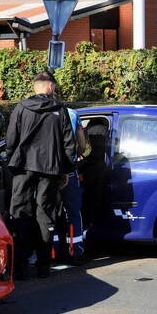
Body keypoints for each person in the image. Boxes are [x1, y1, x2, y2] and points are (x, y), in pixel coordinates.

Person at [5, 72, 77, 279]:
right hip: (50, 169)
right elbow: (68, 145)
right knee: (45, 214)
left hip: (23, 167)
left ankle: (20, 266)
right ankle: (43, 266)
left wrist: (12, 161)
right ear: (49, 87)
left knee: (20, 213)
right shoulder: (60, 110)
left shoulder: (20, 108)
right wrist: (66, 171)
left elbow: (11, 139)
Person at [56, 102, 90, 264]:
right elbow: (82, 144)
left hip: (47, 171)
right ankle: (75, 251)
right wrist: (78, 154)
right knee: (73, 211)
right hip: (69, 169)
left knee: (49, 211)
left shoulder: (37, 112)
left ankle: (52, 251)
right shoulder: (72, 114)